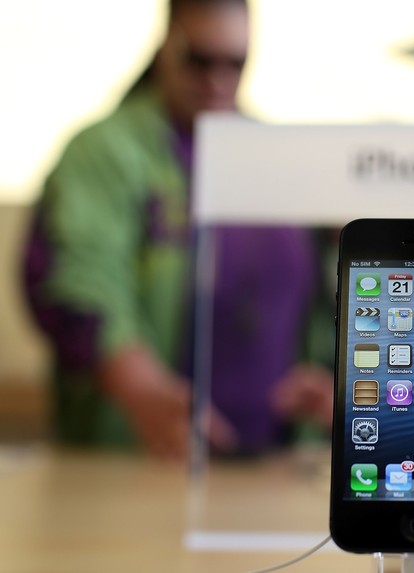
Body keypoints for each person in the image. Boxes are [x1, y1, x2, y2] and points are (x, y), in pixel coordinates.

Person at [22, 0, 334, 460]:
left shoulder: (275, 155)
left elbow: (317, 294)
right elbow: (77, 283)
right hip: (142, 455)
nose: (217, 79)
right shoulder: (106, 152)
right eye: (199, 60)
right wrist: (142, 388)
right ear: (166, 48)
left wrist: (332, 377)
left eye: (235, 62)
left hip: (275, 460)